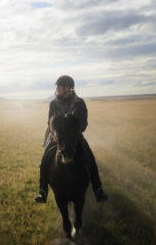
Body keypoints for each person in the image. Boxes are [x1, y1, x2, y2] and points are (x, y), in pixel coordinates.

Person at [35, 75, 108, 203]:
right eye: (57, 86)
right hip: (56, 137)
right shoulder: (53, 103)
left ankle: (98, 190)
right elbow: (49, 122)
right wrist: (55, 133)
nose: (57, 88)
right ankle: (42, 191)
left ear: (68, 88)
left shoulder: (79, 103)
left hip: (75, 136)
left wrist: (73, 131)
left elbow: (83, 124)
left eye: (59, 86)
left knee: (90, 158)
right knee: (45, 158)